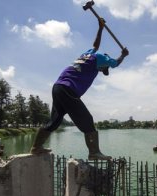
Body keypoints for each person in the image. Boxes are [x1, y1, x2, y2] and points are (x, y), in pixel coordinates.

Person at [30, 18, 129, 160]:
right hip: (68, 89)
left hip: (58, 86)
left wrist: (100, 28)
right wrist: (123, 56)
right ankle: (94, 152)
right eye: (103, 69)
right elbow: (115, 63)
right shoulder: (102, 58)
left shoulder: (88, 54)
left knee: (55, 121)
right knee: (87, 120)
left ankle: (36, 147)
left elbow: (95, 45)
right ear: (104, 62)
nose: (102, 70)